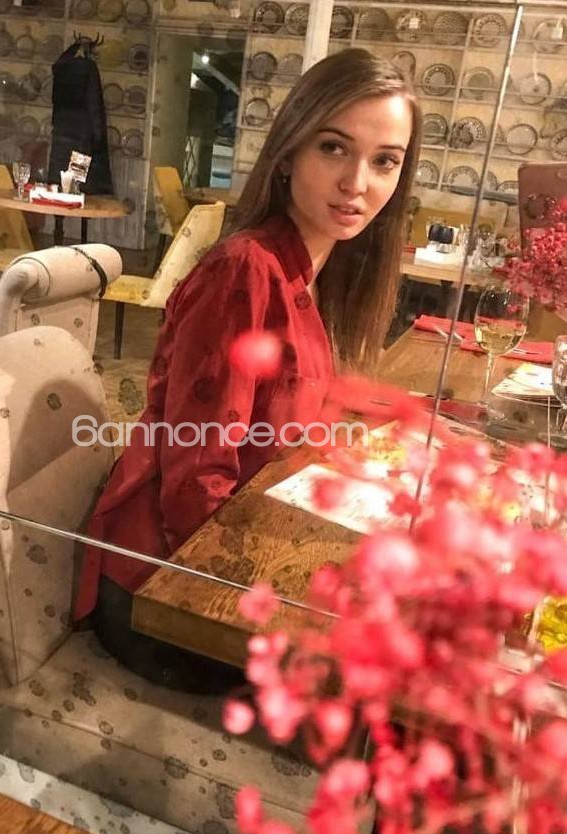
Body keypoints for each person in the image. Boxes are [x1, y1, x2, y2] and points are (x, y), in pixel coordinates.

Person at [74, 48, 422, 692]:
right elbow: (196, 472)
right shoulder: (245, 269)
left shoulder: (321, 268)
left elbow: (296, 413)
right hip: (167, 588)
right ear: (288, 153)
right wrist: (245, 602)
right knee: (389, 678)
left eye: (384, 161)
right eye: (334, 148)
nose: (357, 182)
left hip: (238, 550)